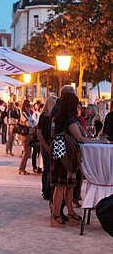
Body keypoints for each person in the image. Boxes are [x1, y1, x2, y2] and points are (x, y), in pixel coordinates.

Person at [50, 93, 105, 228]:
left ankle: (65, 213)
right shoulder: (69, 119)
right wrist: (95, 140)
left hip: (60, 153)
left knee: (66, 185)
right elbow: (79, 137)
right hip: (66, 155)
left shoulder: (59, 118)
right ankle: (57, 215)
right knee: (63, 185)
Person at [37, 96, 57, 201]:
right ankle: (46, 190)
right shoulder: (44, 116)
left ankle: (50, 188)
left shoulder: (54, 117)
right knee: (47, 168)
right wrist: (45, 145)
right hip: (46, 144)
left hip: (52, 144)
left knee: (51, 168)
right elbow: (39, 132)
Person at [18, 100, 36, 175]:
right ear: (25, 107)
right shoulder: (23, 114)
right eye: (29, 107)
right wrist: (33, 124)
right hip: (25, 135)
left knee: (28, 152)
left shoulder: (28, 114)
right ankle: (21, 169)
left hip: (29, 134)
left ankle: (23, 168)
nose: (30, 108)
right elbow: (29, 123)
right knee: (26, 152)